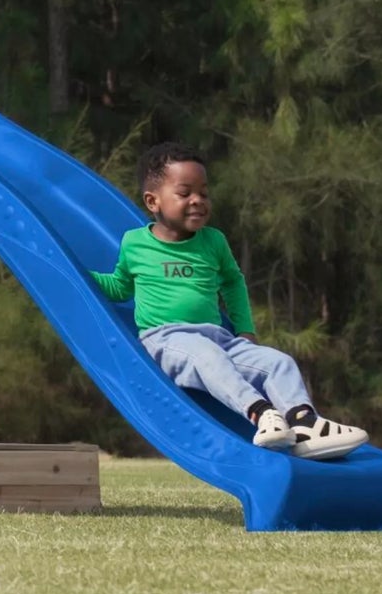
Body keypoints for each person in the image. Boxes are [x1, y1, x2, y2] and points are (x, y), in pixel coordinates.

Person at [92, 142, 367, 460]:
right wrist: (78, 273)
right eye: (185, 193)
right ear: (153, 201)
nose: (198, 201)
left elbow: (233, 284)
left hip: (218, 338)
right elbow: (120, 288)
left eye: (204, 193)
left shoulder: (213, 241)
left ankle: (304, 423)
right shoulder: (135, 243)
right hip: (166, 340)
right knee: (208, 357)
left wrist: (245, 330)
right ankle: (262, 414)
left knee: (278, 362)